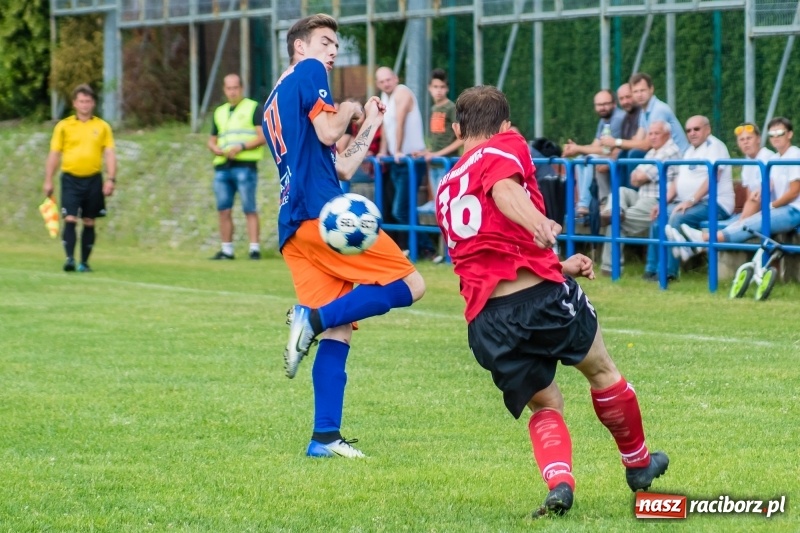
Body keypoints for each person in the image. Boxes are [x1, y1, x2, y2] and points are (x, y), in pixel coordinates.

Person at [434, 85, 668, 517]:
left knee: (545, 403)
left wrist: (556, 265)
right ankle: (638, 464)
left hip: (487, 321)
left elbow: (493, 256)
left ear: (456, 128)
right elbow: (505, 191)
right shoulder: (506, 145)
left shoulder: (446, 187)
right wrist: (539, 221)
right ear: (505, 126)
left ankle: (560, 482)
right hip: (541, 300)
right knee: (601, 370)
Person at [263, 14, 426, 459]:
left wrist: (369, 121)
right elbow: (329, 130)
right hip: (321, 216)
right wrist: (352, 108)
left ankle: (324, 438)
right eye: (325, 42)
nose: (332, 51)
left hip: (295, 226)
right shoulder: (309, 72)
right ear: (300, 47)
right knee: (413, 284)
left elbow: (340, 165)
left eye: (335, 44)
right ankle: (307, 321)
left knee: (339, 328)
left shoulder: (274, 100)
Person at [680, 117, 800, 246]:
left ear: (790, 134)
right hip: (777, 208)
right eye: (772, 134)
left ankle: (703, 239)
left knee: (749, 222)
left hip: (793, 209)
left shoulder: (794, 155)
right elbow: (761, 190)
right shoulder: (775, 159)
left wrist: (770, 206)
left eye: (780, 133)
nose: (775, 137)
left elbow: (794, 192)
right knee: (737, 222)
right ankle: (698, 247)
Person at [647, 115, 733, 280]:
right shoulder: (690, 150)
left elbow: (713, 178)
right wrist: (662, 203)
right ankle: (652, 269)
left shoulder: (715, 146)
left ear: (708, 129)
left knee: (676, 218)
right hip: (694, 204)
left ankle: (669, 273)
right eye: (688, 130)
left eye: (696, 129)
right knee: (660, 215)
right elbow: (678, 181)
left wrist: (691, 200)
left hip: (715, 204)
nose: (692, 133)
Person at [44, 84, 117, 273]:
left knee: (89, 220)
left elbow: (109, 153)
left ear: (93, 103)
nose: (85, 105)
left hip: (93, 179)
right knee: (69, 217)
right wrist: (48, 179)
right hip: (70, 179)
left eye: (88, 101)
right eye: (81, 101)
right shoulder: (64, 126)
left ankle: (84, 262)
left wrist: (111, 178)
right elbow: (54, 153)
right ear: (74, 103)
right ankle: (69, 259)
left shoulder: (102, 127)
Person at [600, 121, 681, 277]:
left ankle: (609, 268)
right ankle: (614, 210)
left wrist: (641, 177)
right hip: (642, 196)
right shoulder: (653, 151)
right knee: (620, 191)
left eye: (656, 133)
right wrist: (640, 177)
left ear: (667, 135)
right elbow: (633, 179)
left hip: (657, 200)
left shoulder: (670, 150)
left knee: (617, 222)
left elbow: (641, 176)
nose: (652, 137)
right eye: (650, 133)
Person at [207, 73, 267, 260]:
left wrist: (241, 147)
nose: (232, 91)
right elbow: (211, 139)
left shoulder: (253, 108)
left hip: (245, 165)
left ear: (241, 88)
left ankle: (254, 249)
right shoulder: (220, 111)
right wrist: (214, 148)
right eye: (229, 88)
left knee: (249, 207)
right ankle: (227, 250)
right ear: (224, 90)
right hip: (222, 166)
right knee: (223, 209)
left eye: (235, 88)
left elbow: (262, 136)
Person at [375, 66, 432, 254]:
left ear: (396, 78)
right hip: (397, 161)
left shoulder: (402, 93)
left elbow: (400, 122)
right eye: (382, 81)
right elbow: (386, 128)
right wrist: (384, 151)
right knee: (396, 208)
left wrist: (397, 150)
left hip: (409, 160)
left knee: (401, 209)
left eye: (388, 80)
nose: (386, 84)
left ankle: (426, 248)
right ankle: (414, 247)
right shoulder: (385, 97)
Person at [561, 89, 625, 217]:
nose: (602, 108)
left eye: (606, 104)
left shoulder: (618, 118)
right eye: (599, 105)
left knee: (591, 158)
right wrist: (576, 148)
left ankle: (585, 204)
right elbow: (595, 146)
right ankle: (584, 203)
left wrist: (578, 148)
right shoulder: (603, 121)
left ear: (614, 104)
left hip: (620, 158)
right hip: (608, 158)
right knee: (580, 158)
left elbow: (606, 150)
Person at [601, 72, 689, 156]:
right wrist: (622, 144)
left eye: (642, 90)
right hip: (662, 155)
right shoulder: (643, 110)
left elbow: (647, 144)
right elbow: (639, 140)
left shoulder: (659, 109)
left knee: (634, 154)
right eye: (635, 91)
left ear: (651, 89)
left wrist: (616, 142)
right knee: (623, 154)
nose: (639, 95)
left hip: (677, 158)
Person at [416, 68, 463, 213]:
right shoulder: (433, 109)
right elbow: (438, 140)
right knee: (439, 207)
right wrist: (426, 152)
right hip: (434, 164)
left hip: (447, 164)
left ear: (447, 89)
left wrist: (438, 154)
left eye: (442, 87)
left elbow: (462, 138)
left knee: (447, 207)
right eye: (435, 87)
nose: (439, 90)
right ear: (429, 88)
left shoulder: (451, 108)